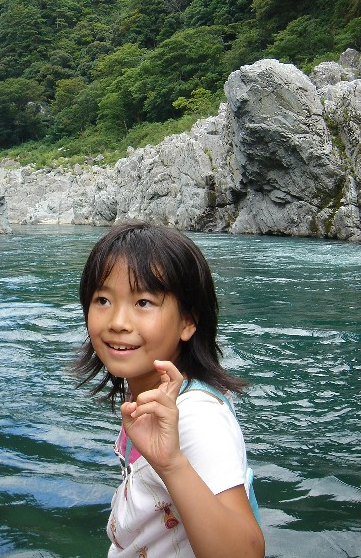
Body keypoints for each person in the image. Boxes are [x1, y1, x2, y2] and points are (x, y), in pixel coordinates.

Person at [75, 222, 265, 558]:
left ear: (188, 322)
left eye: (143, 302)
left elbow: (246, 553)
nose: (118, 322)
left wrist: (172, 464)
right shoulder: (152, 396)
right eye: (103, 299)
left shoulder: (196, 416)